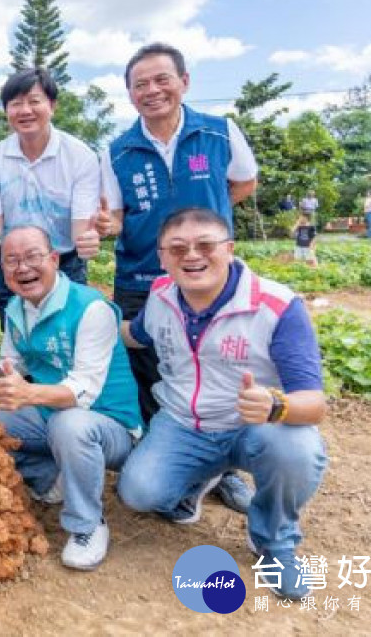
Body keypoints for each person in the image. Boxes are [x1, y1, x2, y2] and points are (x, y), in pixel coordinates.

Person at [115, 208, 329, 601]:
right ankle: (199, 481)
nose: (191, 256)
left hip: (255, 429)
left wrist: (274, 405)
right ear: (161, 257)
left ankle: (274, 541)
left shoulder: (277, 306)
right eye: (177, 248)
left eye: (205, 245)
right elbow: (136, 333)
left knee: (296, 449)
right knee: (139, 493)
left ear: (229, 249)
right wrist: (90, 322)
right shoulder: (162, 296)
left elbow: (314, 404)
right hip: (184, 425)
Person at [97, 42, 259, 513]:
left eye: (161, 79)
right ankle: (165, 460)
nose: (152, 91)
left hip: (208, 280)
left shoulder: (220, 132)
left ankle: (224, 471)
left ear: (184, 82)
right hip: (141, 277)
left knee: (218, 370)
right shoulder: (118, 150)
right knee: (148, 370)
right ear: (129, 95)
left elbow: (244, 183)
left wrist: (203, 236)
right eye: (140, 84)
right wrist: (109, 227)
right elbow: (117, 216)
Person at [0, 226, 141, 571]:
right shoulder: (16, 310)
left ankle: (87, 524)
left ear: (54, 260)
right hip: (50, 414)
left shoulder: (90, 308)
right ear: (3, 270)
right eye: (11, 261)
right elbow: (14, 362)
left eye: (32, 257)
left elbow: (83, 390)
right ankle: (50, 477)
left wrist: (28, 393)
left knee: (71, 424)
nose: (22, 268)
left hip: (108, 424)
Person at [0, 67, 104, 323]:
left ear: (52, 105)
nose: (25, 110)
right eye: (16, 103)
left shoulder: (80, 156)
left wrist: (87, 240)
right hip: (13, 262)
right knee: (16, 336)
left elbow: (80, 229)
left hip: (65, 261)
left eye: (34, 101)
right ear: (6, 110)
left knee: (69, 332)